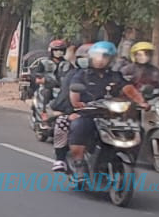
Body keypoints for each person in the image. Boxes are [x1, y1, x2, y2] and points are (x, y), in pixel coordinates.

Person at [52, 40, 148, 172]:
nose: (100, 60)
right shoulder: (82, 74)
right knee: (80, 126)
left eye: (105, 57)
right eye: (97, 56)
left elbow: (128, 89)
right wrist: (78, 104)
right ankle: (79, 163)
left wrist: (141, 101)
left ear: (111, 59)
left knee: (136, 128)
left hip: (111, 115)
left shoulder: (115, 76)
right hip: (88, 114)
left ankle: (130, 156)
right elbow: (74, 92)